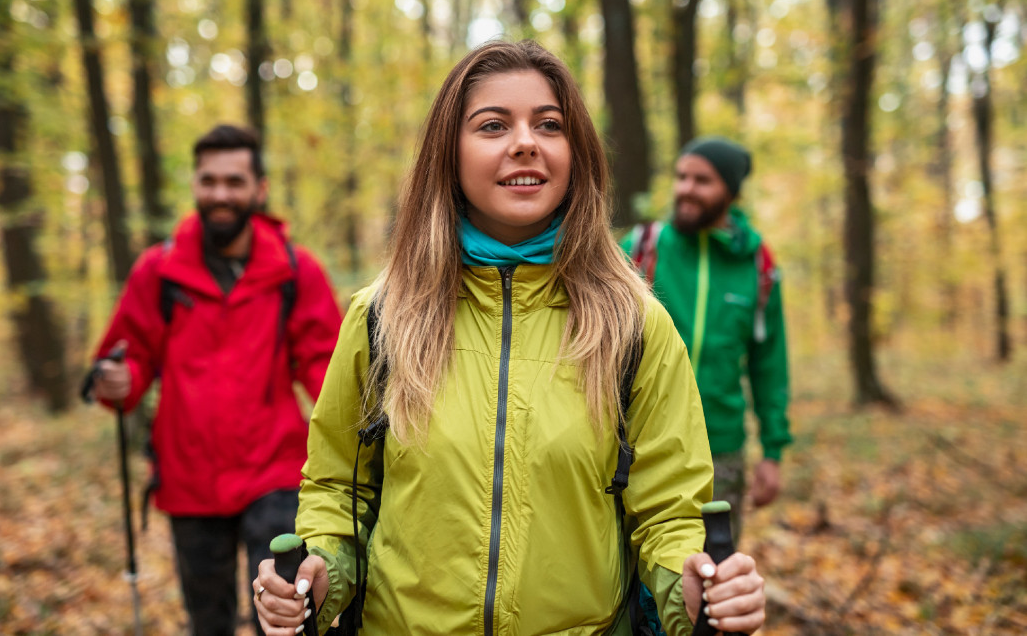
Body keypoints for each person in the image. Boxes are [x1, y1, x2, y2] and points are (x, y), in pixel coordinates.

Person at [252, 41, 766, 636]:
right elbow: (339, 490)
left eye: (549, 125)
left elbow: (669, 514)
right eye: (493, 125)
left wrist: (699, 591)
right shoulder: (383, 317)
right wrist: (318, 575)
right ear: (449, 154)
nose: (526, 142)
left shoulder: (633, 324)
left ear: (576, 154)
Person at [91, 124, 343, 636]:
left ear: (260, 188)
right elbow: (128, 358)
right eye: (209, 182)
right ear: (195, 185)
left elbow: (329, 371)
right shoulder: (158, 271)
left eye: (234, 181)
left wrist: (368, 427)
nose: (221, 194)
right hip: (188, 480)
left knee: (284, 618)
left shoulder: (295, 271)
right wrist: (116, 379)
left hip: (274, 474)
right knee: (208, 622)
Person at [623, 136, 792, 546]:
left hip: (722, 450)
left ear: (730, 193)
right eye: (681, 177)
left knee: (715, 572)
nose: (686, 188)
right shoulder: (643, 248)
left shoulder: (757, 266)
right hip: (636, 442)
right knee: (629, 571)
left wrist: (772, 452)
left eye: (702, 180)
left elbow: (769, 365)